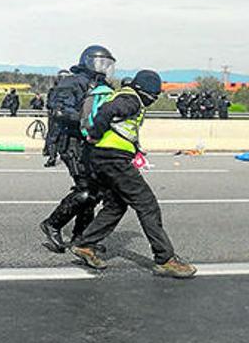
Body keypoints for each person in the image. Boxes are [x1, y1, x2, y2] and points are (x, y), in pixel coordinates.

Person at [70, 70, 197, 278]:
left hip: (102, 158)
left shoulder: (126, 96)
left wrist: (135, 147)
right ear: (146, 90)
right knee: (147, 205)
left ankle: (85, 245)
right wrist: (94, 134)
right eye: (154, 95)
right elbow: (107, 111)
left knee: (116, 205)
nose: (154, 99)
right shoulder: (132, 99)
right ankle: (165, 259)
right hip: (113, 160)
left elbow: (120, 126)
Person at [39, 45, 116, 253]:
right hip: (71, 141)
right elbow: (59, 110)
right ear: (88, 61)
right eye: (100, 62)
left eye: (107, 64)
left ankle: (81, 237)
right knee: (86, 188)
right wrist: (85, 121)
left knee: (95, 190)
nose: (104, 67)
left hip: (88, 142)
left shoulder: (101, 86)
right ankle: (53, 224)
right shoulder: (73, 82)